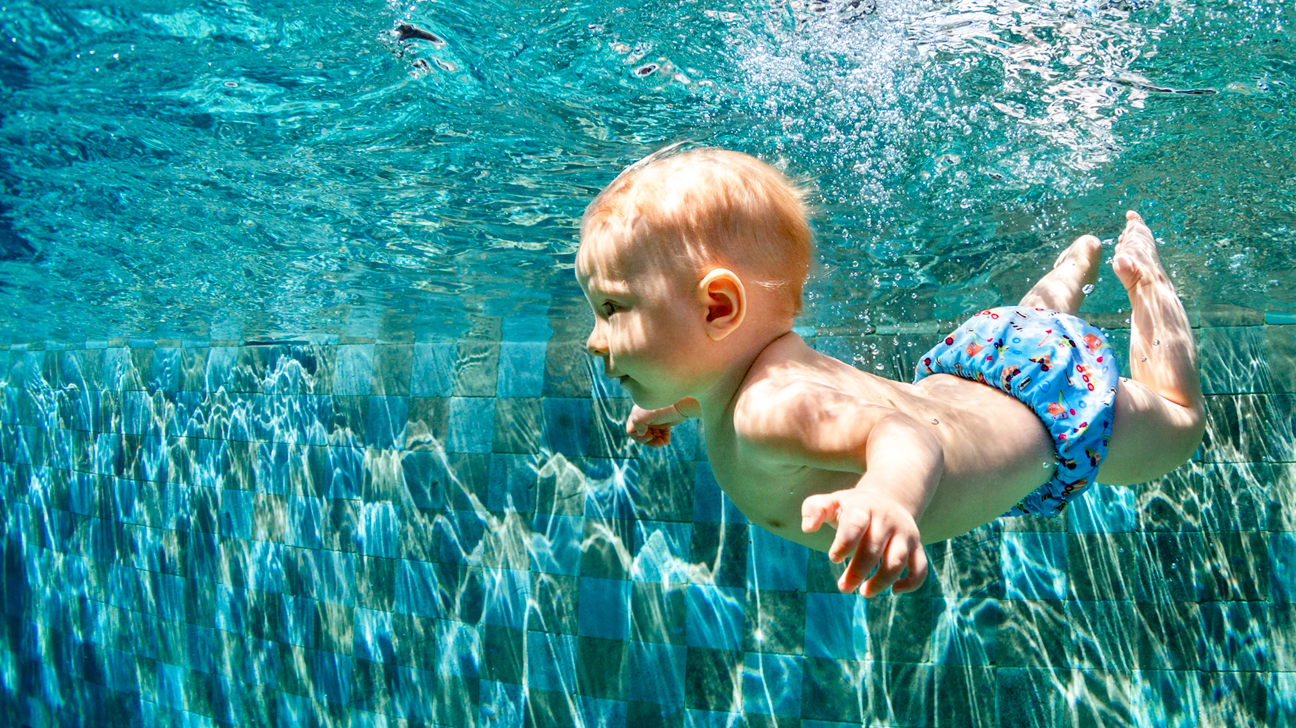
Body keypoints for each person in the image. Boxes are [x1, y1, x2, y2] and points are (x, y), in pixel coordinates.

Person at [574, 147, 1205, 597]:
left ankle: (1143, 281)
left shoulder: (771, 407)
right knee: (1035, 326)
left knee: (1176, 427)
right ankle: (1066, 277)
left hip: (1052, 412)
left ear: (719, 307)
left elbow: (906, 437)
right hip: (986, 364)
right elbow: (721, 385)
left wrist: (888, 496)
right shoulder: (735, 381)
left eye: (611, 309)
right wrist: (676, 402)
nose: (592, 340)